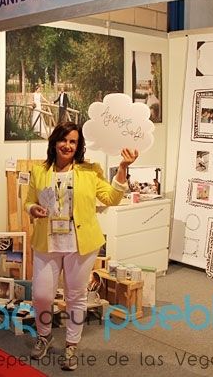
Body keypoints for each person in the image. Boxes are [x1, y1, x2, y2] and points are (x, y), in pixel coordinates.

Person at [25, 121, 138, 371]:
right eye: (63, 140)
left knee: (75, 296)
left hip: (80, 244)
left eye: (73, 141)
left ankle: (71, 345)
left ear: (78, 146)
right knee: (42, 295)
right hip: (47, 242)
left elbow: (112, 198)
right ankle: (44, 335)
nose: (67, 145)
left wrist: (122, 168)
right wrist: (33, 209)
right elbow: (29, 201)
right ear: (54, 142)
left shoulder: (90, 171)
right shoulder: (39, 170)